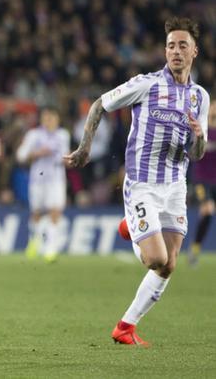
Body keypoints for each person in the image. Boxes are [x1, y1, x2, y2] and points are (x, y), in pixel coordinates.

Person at [65, 17, 210, 346]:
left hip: (175, 186)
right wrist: (84, 148)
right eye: (171, 45)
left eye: (182, 45)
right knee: (155, 259)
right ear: (165, 50)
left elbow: (197, 153)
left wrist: (199, 137)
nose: (175, 51)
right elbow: (100, 104)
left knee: (169, 265)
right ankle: (132, 222)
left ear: (194, 51)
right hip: (142, 182)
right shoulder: (146, 85)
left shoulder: (200, 97)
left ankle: (125, 327)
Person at [16, 108, 70, 262]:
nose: (49, 121)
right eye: (46, 118)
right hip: (37, 180)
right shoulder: (34, 135)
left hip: (56, 179)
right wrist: (37, 153)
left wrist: (69, 159)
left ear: (57, 119)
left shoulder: (62, 135)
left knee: (55, 212)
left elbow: (64, 156)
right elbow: (20, 155)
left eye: (52, 118)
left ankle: (50, 248)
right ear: (42, 119)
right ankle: (35, 240)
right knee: (37, 213)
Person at [188, 102, 216, 266]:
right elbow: (193, 153)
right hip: (201, 179)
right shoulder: (201, 128)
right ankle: (195, 249)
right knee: (207, 210)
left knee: (208, 213)